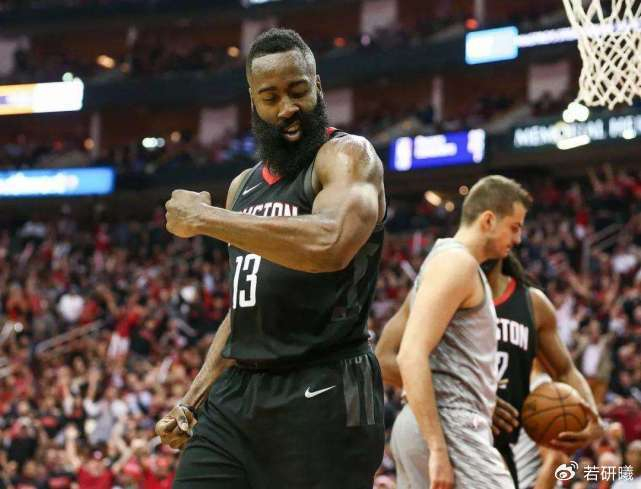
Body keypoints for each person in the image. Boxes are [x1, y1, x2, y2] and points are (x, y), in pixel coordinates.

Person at [157, 28, 387, 488]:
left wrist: (206, 218)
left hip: (325, 385)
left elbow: (332, 243)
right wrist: (192, 400)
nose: (287, 108)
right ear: (253, 101)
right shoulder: (242, 187)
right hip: (239, 398)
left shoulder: (346, 157)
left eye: (298, 91)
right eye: (271, 97)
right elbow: (245, 309)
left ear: (318, 86)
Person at [376, 249, 604, 488]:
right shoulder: (435, 291)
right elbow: (384, 359)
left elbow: (565, 370)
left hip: (498, 447)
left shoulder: (531, 304)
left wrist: (595, 419)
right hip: (441, 432)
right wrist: (468, 396)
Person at [390, 175, 532, 489]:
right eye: (514, 227)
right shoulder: (457, 263)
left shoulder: (443, 259)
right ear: (489, 220)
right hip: (451, 426)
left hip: (434, 423)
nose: (518, 238)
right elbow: (409, 354)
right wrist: (438, 448)